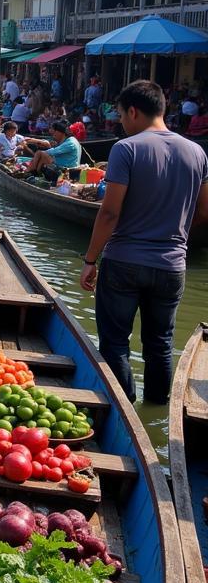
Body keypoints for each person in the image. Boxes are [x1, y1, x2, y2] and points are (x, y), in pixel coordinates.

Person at [81, 80, 208, 403]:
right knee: (160, 344)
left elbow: (109, 213)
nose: (122, 124)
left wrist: (90, 260)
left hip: (124, 261)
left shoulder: (127, 148)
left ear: (133, 111)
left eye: (122, 116)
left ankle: (124, 414)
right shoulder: (197, 152)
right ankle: (155, 409)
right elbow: (204, 211)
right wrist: (174, 236)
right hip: (171, 266)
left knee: (115, 342)